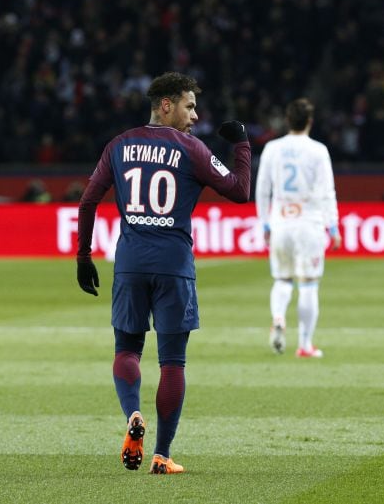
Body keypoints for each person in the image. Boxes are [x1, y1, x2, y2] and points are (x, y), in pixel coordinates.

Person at [76, 72, 251, 474]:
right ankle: (161, 454)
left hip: (131, 263)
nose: (195, 116)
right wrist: (240, 142)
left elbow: (87, 203)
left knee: (126, 351)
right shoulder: (191, 148)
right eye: (189, 106)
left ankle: (133, 415)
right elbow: (240, 191)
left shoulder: (118, 145)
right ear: (167, 105)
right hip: (174, 266)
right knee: (172, 362)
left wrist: (84, 257)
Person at [255, 98, 341, 358]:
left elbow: (262, 190)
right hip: (309, 224)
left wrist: (265, 223)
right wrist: (333, 227)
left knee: (282, 279)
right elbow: (327, 191)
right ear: (310, 122)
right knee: (308, 284)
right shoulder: (318, 150)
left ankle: (278, 317)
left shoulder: (272, 148)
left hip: (281, 221)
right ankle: (304, 345)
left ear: (287, 121)